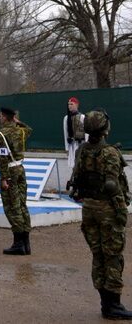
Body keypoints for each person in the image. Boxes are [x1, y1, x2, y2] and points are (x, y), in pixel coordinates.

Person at [73, 109, 132, 320]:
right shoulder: (110, 153)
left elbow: (76, 180)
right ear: (105, 128)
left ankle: (105, 304)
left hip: (89, 209)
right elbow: (113, 186)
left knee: (98, 256)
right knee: (113, 257)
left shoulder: (82, 151)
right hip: (107, 210)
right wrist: (121, 211)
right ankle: (113, 305)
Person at [0, 107, 33, 256]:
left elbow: (3, 158)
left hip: (10, 171)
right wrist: (18, 122)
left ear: (5, 117)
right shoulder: (20, 131)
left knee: (12, 206)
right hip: (20, 169)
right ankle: (26, 243)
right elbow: (29, 129)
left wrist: (4, 178)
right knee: (22, 205)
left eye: (1, 116)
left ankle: (18, 244)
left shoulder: (2, 134)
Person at [63, 97, 87, 169]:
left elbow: (86, 133)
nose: (69, 106)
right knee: (73, 166)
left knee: (82, 165)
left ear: (76, 105)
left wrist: (87, 146)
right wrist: (66, 148)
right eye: (68, 104)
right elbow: (66, 133)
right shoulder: (66, 118)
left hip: (81, 144)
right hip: (71, 145)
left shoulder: (82, 117)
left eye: (71, 104)